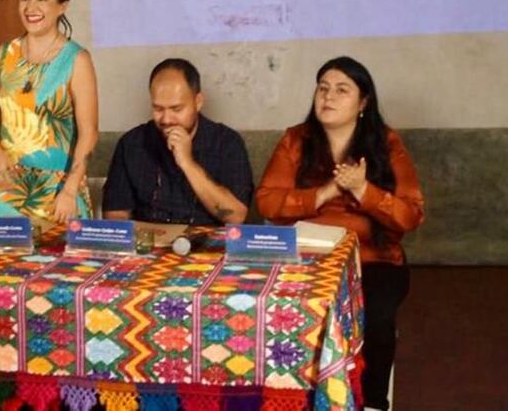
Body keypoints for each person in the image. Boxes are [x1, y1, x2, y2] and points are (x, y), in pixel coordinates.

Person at [254, 56, 425, 411]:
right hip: (306, 260)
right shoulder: (296, 140)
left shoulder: (386, 143)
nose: (328, 97)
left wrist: (364, 191)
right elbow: (268, 202)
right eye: (323, 88)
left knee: (375, 316)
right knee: (269, 308)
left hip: (372, 259)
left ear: (363, 103)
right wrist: (324, 193)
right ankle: (292, 399)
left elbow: (410, 215)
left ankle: (373, 403)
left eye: (341, 90)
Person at [0, 0, 98, 222]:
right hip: (4, 189)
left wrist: (70, 188)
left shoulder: (77, 60)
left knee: (64, 263)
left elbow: (89, 133)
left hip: (58, 192)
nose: (30, 8)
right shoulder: (2, 55)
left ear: (62, 6)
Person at [102, 58, 253, 225]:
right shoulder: (132, 143)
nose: (166, 119)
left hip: (206, 246)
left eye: (176, 109)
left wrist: (187, 163)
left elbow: (235, 216)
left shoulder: (226, 142)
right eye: (158, 109)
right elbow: (115, 215)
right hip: (148, 243)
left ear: (198, 102)